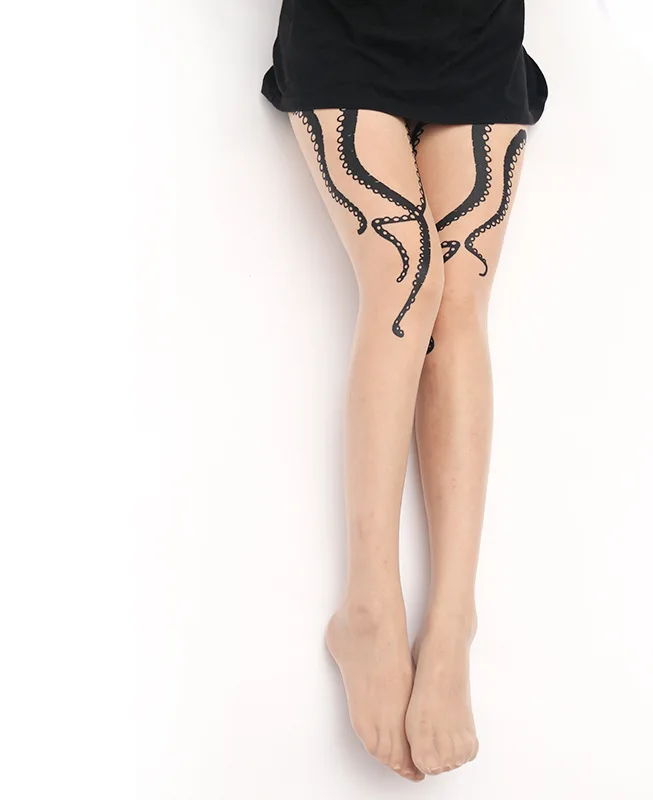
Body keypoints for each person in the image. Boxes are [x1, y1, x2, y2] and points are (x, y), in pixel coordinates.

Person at [261, 0, 548, 782]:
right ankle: (368, 605)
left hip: (477, 35)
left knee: (460, 299)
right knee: (405, 278)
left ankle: (453, 622)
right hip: (344, 31)